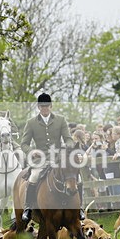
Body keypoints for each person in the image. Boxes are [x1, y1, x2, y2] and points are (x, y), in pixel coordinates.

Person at [19, 93, 83, 221]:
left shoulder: (60, 120)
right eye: (42, 106)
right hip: (40, 159)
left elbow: (68, 138)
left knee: (78, 178)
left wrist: (70, 147)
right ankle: (28, 208)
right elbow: (24, 144)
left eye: (47, 106)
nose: (45, 109)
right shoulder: (31, 123)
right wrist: (32, 151)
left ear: (51, 106)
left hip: (59, 158)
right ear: (38, 107)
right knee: (34, 177)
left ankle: (79, 207)